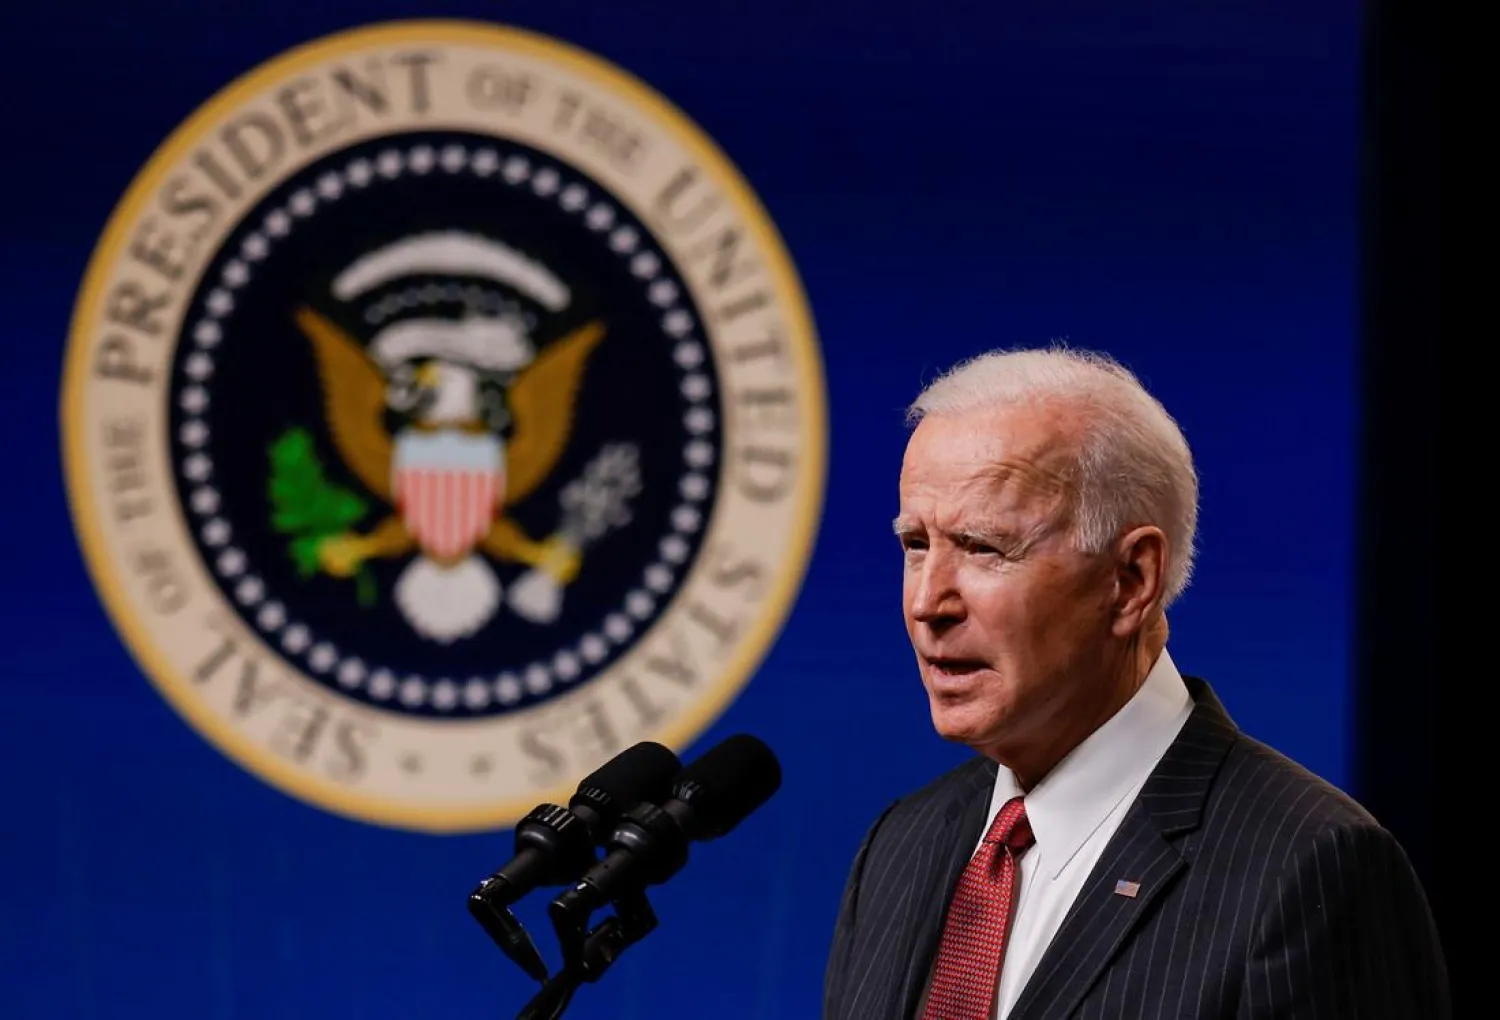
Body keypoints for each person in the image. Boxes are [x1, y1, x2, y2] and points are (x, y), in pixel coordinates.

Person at [822, 347, 1449, 1020]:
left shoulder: (1306, 867)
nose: (927, 602)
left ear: (1130, 582)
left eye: (984, 548)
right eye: (916, 545)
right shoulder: (900, 846)